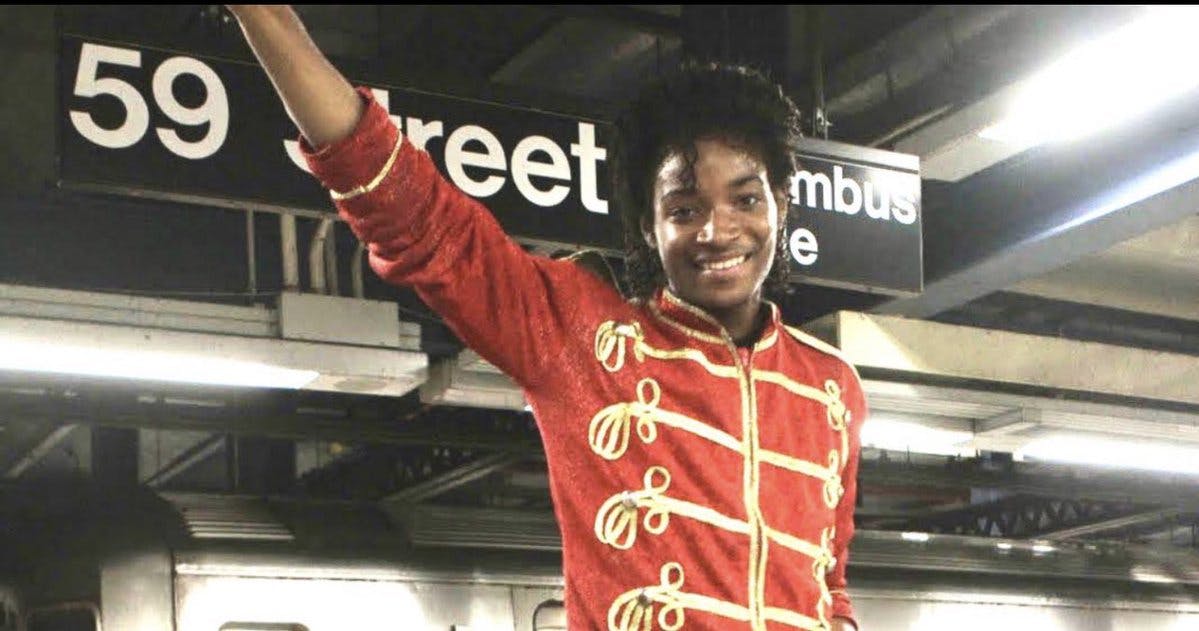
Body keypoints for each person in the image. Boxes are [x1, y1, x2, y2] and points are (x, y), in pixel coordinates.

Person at [228, 6, 866, 631]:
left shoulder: (833, 387)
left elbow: (827, 583)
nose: (719, 230)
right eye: (685, 209)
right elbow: (418, 222)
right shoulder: (581, 338)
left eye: (746, 199)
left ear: (781, 205)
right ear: (649, 228)